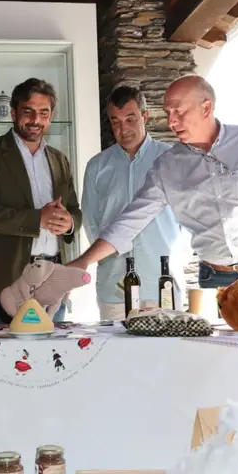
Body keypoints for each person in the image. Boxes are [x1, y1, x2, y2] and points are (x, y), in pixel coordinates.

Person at [68, 75, 238, 325]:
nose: (171, 121)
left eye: (179, 111)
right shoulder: (167, 165)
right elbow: (129, 222)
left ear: (206, 108)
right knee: (218, 350)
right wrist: (83, 262)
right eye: (168, 112)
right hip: (216, 278)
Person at [0, 78, 81, 325]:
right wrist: (37, 219)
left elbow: (74, 210)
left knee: (53, 348)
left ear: (51, 117)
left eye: (43, 113)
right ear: (14, 113)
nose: (36, 120)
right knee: (4, 349)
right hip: (6, 280)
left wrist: (69, 223)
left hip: (53, 278)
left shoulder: (59, 159)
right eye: (28, 111)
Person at [82, 85, 192, 319]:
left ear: (145, 116)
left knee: (166, 344)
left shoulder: (172, 159)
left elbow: (189, 219)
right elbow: (91, 223)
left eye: (130, 119)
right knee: (112, 344)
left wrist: (175, 257)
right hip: (114, 290)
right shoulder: (96, 166)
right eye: (116, 122)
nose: (123, 129)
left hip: (162, 285)